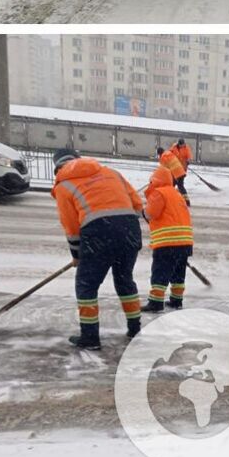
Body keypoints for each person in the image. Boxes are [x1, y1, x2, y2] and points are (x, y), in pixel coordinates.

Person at [51, 146, 147, 349]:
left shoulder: (64, 185)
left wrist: (77, 255)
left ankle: (90, 337)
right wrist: (122, 224)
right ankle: (135, 329)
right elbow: (137, 204)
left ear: (57, 167)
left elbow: (71, 227)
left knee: (86, 285)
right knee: (124, 280)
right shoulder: (110, 172)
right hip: (129, 229)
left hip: (98, 234)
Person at [143, 148, 195, 312]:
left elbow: (151, 213)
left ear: (155, 180)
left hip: (167, 243)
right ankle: (176, 300)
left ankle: (156, 302)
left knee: (160, 271)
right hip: (185, 242)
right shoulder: (176, 193)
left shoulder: (158, 193)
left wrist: (142, 213)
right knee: (178, 273)